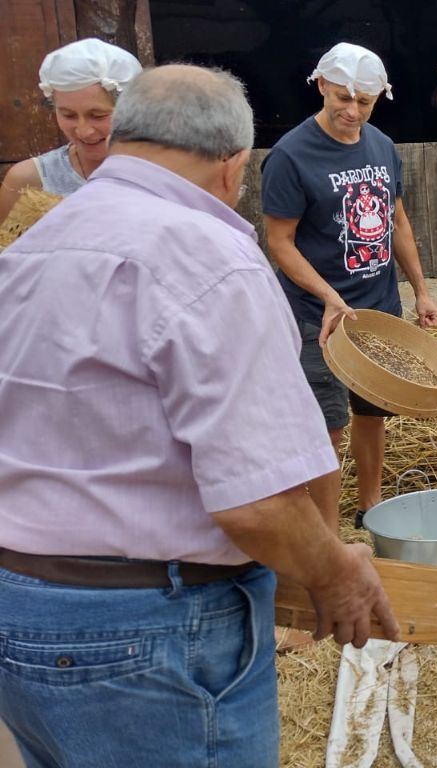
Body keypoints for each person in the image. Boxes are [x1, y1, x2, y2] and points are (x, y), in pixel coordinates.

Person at [0, 65, 398, 768]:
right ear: (232, 164)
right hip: (147, 628)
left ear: (120, 138)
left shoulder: (34, 245)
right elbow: (257, 502)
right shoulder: (210, 258)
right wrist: (333, 573)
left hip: (20, 607)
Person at [262, 43, 437, 531]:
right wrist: (328, 297)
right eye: (342, 97)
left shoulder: (382, 146)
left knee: (372, 412)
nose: (352, 110)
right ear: (321, 85)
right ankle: (326, 532)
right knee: (328, 421)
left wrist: (421, 290)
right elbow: (279, 242)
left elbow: (397, 221)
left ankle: (370, 509)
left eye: (364, 101)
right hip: (315, 314)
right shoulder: (290, 156)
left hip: (378, 308)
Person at [0, 37, 142, 224]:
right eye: (68, 115)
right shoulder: (32, 181)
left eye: (98, 115)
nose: (84, 131)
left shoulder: (169, 170)